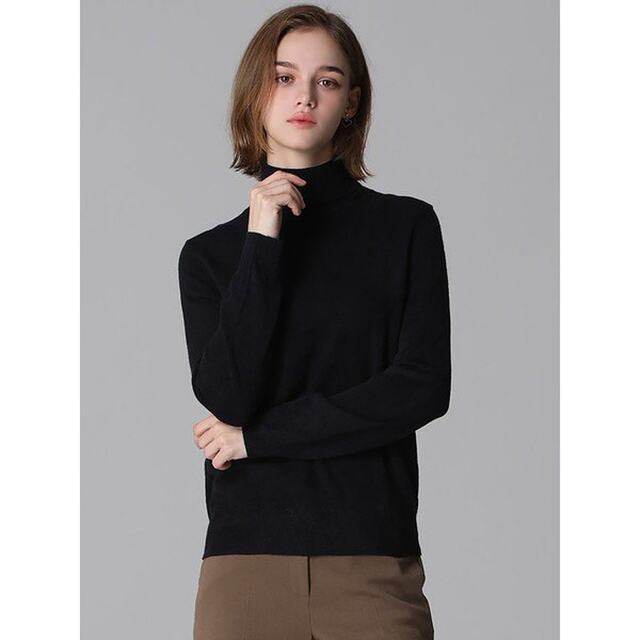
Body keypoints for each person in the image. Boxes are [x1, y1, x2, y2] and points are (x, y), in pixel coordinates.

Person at [178, 4, 451, 639]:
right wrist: (261, 243)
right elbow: (226, 396)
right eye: (283, 77)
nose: (304, 96)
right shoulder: (211, 256)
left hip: (371, 560)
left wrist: (257, 439)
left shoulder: (404, 228)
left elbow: (420, 387)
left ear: (351, 102)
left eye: (327, 80)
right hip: (244, 566)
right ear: (256, 92)